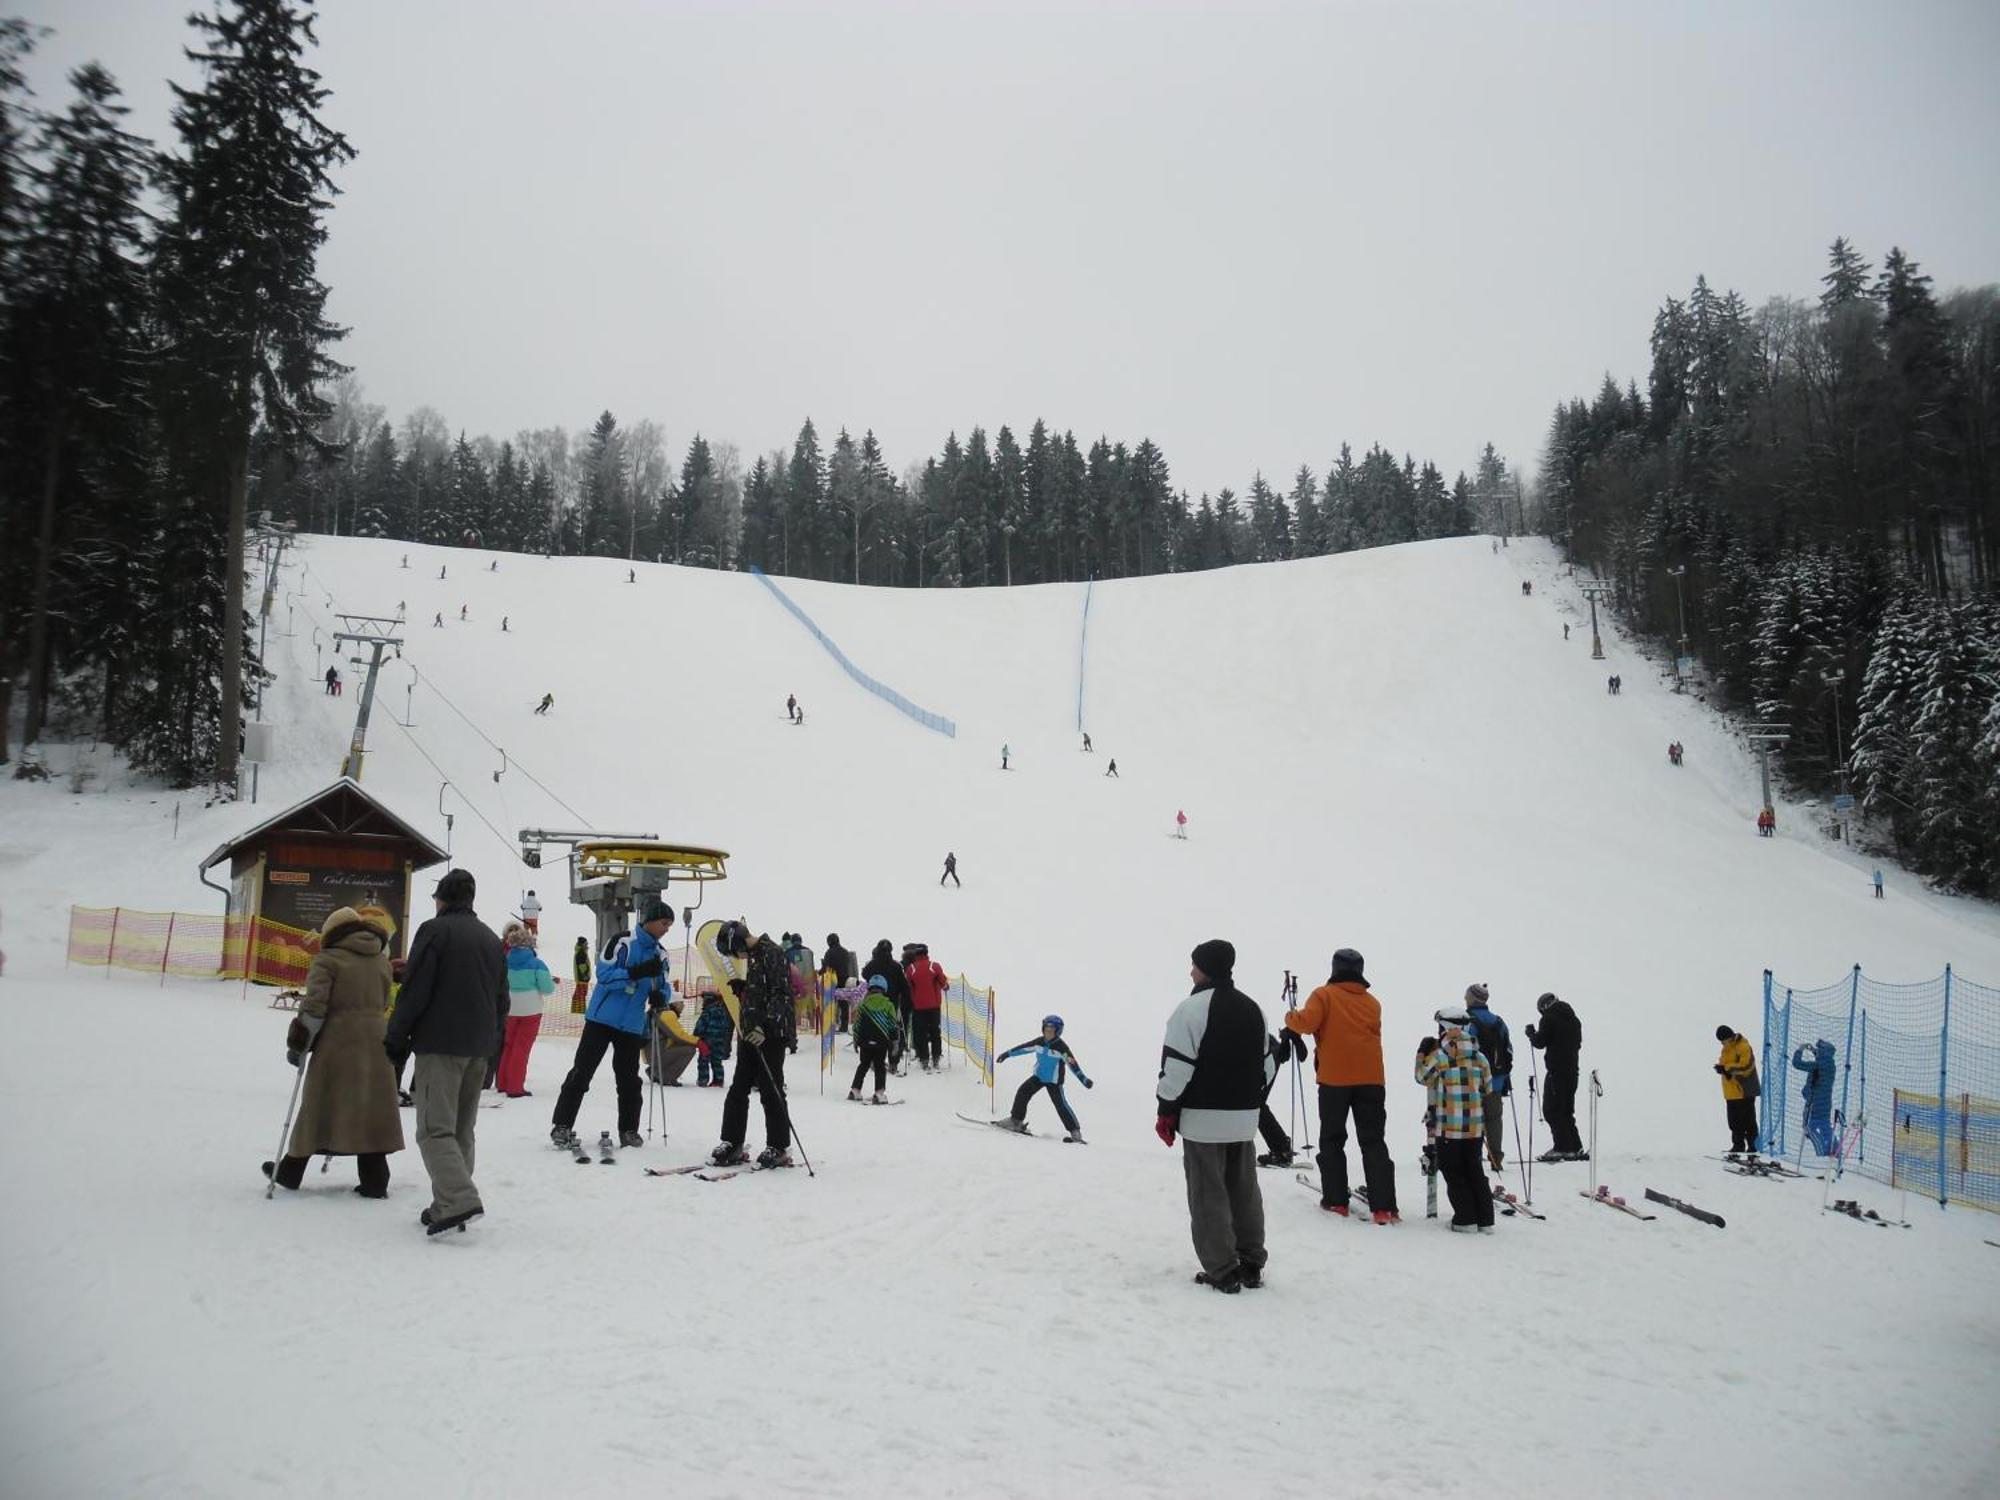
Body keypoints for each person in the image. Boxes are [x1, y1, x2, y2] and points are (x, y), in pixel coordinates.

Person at [384, 868, 507, 1236]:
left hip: (440, 1043)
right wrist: (492, 1043)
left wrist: (397, 1035)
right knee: (460, 1129)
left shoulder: (434, 931)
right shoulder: (489, 939)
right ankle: (447, 1203)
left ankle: (459, 1198)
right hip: (479, 1046)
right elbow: (503, 999)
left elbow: (417, 989)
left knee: (433, 1129)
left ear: (441, 899)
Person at [1157, 939, 1274, 1294]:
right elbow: (1266, 1067)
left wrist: (1166, 1108)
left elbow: (1176, 1070)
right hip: (1244, 1120)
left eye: (1194, 965)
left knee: (1209, 1193)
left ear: (1205, 968)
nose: (1190, 971)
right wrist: (1248, 1101)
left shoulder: (1190, 1010)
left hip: (1202, 1120)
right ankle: (1251, 1262)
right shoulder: (1254, 1009)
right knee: (1244, 1190)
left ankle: (1222, 1270)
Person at [262, 907, 404, 1197]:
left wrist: (298, 1045)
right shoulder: (380, 958)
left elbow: (315, 1007)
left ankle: (291, 1169)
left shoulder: (327, 960)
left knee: (320, 1103)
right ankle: (376, 1178)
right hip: (377, 1039)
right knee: (371, 1107)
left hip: (338, 1042)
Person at [550, 901, 674, 1153]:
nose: (666, 930)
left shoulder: (661, 954)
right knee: (582, 1072)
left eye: (669, 926)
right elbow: (604, 976)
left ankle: (628, 1130)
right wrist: (635, 972)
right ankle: (561, 1124)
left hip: (630, 1025)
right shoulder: (622, 941)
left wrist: (661, 995)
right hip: (602, 1019)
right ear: (650, 919)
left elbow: (664, 983)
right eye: (664, 923)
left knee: (629, 1079)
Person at [1286, 948, 1398, 1222]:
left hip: (1335, 1080)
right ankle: (1384, 1208)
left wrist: (1290, 1017)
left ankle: (1337, 1201)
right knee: (1373, 1140)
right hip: (1372, 1079)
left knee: (1333, 1138)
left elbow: (1306, 1023)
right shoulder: (1372, 1002)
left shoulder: (1324, 995)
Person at [711, 925, 796, 1168]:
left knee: (771, 1088)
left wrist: (765, 1026)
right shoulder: (757, 955)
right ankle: (732, 1142)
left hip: (770, 1033)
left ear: (737, 943)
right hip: (751, 1031)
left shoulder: (773, 953)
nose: (737, 957)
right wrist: (744, 988)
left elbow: (781, 994)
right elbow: (763, 989)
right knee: (739, 1088)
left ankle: (778, 1146)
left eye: (733, 952)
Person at [1417, 1009, 1496, 1233]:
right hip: (1474, 1128)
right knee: (1474, 1170)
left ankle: (1465, 1219)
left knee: (1454, 1173)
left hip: (1448, 1129)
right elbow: (1488, 1087)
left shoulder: (1440, 1057)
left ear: (1445, 1028)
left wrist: (1422, 1053)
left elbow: (1422, 1077)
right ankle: (1485, 1220)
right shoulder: (1480, 1057)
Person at [997, 1015, 1094, 1141]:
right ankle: (1016, 1121)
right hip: (1039, 1077)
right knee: (1023, 1091)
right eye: (1046, 1030)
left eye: (1051, 1031)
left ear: (1058, 1032)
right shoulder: (1039, 1042)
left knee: (1061, 1105)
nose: (1048, 1033)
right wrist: (1006, 1054)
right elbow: (1023, 1048)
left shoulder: (1061, 1048)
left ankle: (1075, 1133)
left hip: (1054, 1082)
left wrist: (1084, 1080)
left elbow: (1073, 1065)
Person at [496, 921, 553, 1098]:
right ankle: (515, 1086)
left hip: (510, 1008)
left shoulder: (504, 961)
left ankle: (503, 1083)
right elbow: (547, 988)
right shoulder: (537, 964)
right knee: (522, 1048)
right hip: (530, 1009)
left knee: (509, 1044)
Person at [1525, 992, 1584, 1159]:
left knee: (1552, 1110)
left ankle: (1563, 1147)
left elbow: (1540, 1042)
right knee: (1566, 1110)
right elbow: (1577, 1043)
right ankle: (1575, 1146)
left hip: (1556, 1071)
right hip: (1572, 1070)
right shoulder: (1573, 1019)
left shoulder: (1549, 1018)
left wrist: (1531, 1033)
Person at [1463, 984, 1513, 1175]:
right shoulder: (1499, 1022)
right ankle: (1496, 1158)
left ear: (1472, 998)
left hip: (1473, 1080)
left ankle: (1474, 1159)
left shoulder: (1467, 1021)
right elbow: (1508, 1050)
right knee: (1494, 1119)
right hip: (1496, 1080)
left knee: (1473, 1120)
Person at [1256, 1028, 1307, 1167]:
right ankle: (1281, 1148)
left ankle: (1281, 1150)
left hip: (1265, 1054)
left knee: (1255, 1104)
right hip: (1268, 1051)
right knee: (1256, 1104)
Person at [848, 974, 899, 1103]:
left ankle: (855, 1090)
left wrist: (856, 1039)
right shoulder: (889, 1006)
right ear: (884, 989)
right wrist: (894, 1042)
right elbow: (892, 1025)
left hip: (864, 1042)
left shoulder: (863, 1005)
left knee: (863, 1065)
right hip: (881, 1043)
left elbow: (857, 1024)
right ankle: (879, 1093)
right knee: (880, 1067)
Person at [863, 939, 912, 1069]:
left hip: (873, 1002)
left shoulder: (872, 965)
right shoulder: (896, 966)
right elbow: (904, 987)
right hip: (891, 1004)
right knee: (892, 1030)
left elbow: (864, 974)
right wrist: (906, 1001)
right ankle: (893, 1062)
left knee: (875, 1030)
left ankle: (874, 1060)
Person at [1715, 1025, 1760, 1154]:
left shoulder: (1743, 1046)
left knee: (1748, 1120)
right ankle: (1738, 1145)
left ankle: (1753, 1146)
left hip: (1744, 1090)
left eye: (1723, 1040)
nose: (1722, 1043)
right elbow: (1725, 1064)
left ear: (1729, 1037)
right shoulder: (1726, 1049)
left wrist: (1727, 1069)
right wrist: (1721, 1068)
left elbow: (1747, 1067)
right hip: (1731, 1091)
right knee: (1734, 1121)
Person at [904, 942, 948, 1072]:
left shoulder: (911, 968)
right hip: (934, 1006)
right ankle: (935, 1057)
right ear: (927, 953)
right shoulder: (934, 966)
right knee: (935, 1032)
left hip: (918, 1007)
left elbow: (909, 987)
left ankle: (924, 1058)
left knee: (920, 1033)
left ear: (916, 954)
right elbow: (944, 984)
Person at [1792, 1039, 1837, 1155]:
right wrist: (1813, 1051)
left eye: (1820, 1049)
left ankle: (1822, 1154)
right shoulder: (1831, 1065)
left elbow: (1797, 1064)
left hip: (1814, 1103)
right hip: (1826, 1103)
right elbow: (1821, 1059)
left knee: (1809, 1129)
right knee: (1825, 1127)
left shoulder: (1817, 1066)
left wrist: (1800, 1050)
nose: (1818, 1051)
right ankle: (1835, 1151)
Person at [648, 998, 704, 1087]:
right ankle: (666, 1077)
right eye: (681, 1003)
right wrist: (698, 1042)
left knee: (682, 1045)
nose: (684, 1006)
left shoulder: (657, 1012)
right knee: (689, 1050)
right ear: (675, 1003)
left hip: (651, 1052)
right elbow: (678, 1035)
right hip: (656, 1054)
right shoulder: (668, 1014)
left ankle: (654, 1070)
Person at [694, 983, 734, 1086]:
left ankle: (703, 1079)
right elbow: (727, 1026)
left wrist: (697, 1034)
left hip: (707, 1040)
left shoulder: (707, 1012)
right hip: (720, 1040)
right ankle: (718, 1080)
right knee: (716, 1061)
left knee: (703, 1060)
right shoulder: (723, 1012)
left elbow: (701, 1025)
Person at [821, 934, 857, 1030]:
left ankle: (831, 1024)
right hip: (844, 979)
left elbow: (825, 967)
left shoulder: (829, 952)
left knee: (831, 1003)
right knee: (843, 1003)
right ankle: (844, 1025)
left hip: (833, 980)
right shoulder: (845, 952)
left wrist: (819, 973)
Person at [570, 935, 591, 1014]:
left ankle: (578, 1010)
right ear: (582, 944)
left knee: (580, 994)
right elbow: (582, 966)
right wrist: (585, 975)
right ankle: (579, 1011)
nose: (587, 945)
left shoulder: (581, 952)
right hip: (582, 979)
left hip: (581, 979)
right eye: (586, 944)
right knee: (580, 995)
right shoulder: (581, 953)